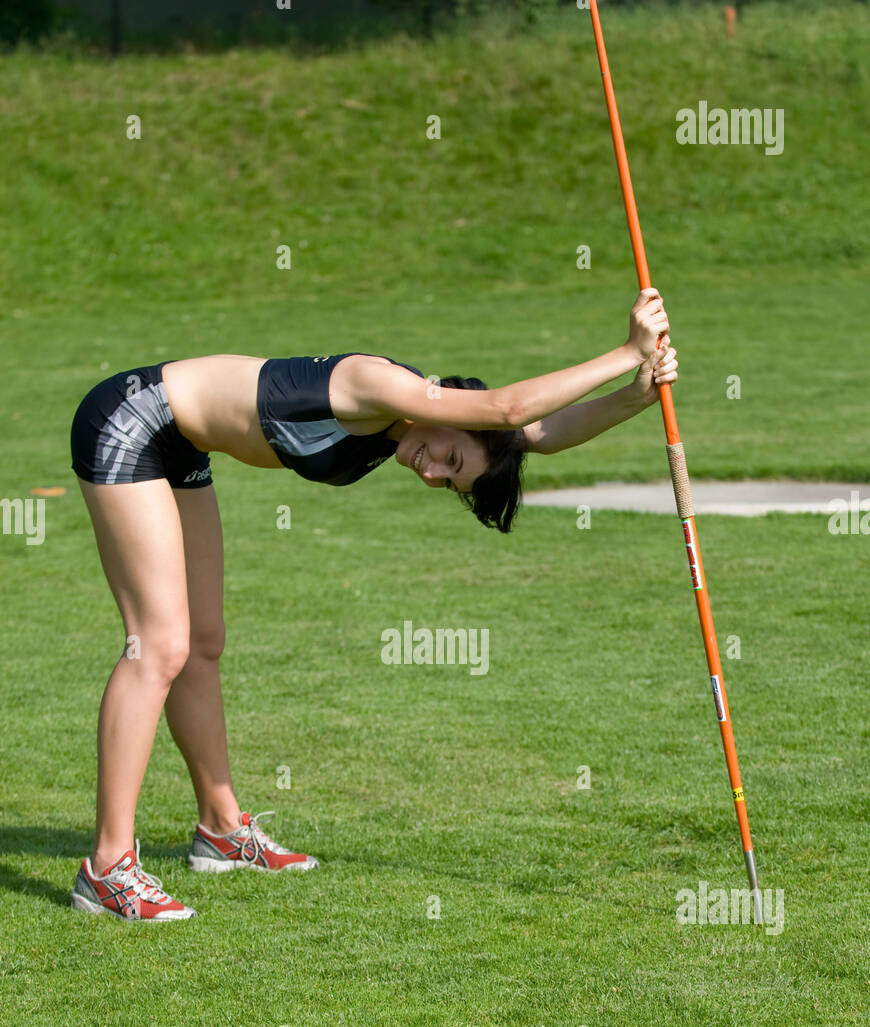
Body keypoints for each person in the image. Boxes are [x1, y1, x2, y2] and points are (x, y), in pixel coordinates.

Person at [69, 288, 677, 920]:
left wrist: (635, 394)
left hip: (178, 445)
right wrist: (626, 350)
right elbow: (510, 407)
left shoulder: (430, 423)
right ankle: (108, 867)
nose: (432, 473)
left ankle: (220, 831)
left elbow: (537, 433)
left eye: (449, 480)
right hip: (131, 419)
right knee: (159, 643)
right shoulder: (378, 385)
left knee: (204, 641)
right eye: (450, 458)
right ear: (462, 419)